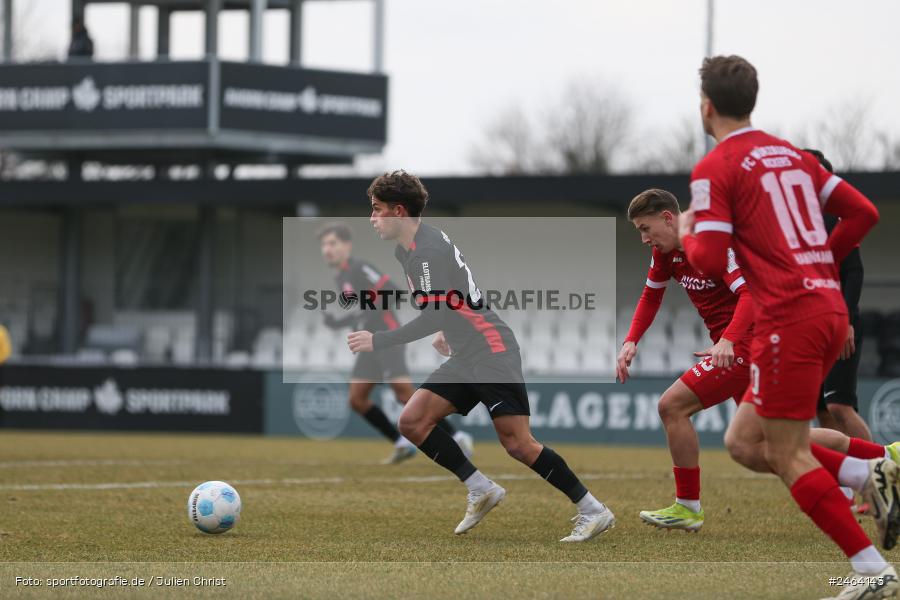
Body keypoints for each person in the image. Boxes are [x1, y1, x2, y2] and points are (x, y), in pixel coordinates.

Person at [679, 55, 896, 599]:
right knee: (745, 440)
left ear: (706, 107)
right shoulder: (795, 157)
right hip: (828, 310)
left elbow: (706, 261)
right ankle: (872, 477)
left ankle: (873, 572)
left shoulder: (716, 168)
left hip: (787, 317)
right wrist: (821, 261)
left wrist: (687, 231)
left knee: (785, 452)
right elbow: (864, 213)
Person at [347, 170, 614, 541]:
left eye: (376, 210)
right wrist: (445, 328)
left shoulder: (426, 251)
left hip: (490, 348)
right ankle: (481, 488)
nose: (372, 218)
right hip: (467, 351)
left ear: (398, 211)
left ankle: (593, 510)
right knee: (412, 422)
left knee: (518, 444)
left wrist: (381, 340)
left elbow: (437, 309)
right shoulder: (409, 249)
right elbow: (446, 301)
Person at [619, 188, 754, 532]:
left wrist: (728, 341)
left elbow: (751, 296)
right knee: (765, 446)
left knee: (671, 406)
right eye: (639, 231)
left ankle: (688, 507)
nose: (644, 238)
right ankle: (879, 459)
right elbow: (651, 295)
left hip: (746, 345)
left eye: (646, 229)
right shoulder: (667, 254)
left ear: (668, 218)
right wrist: (631, 340)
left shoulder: (711, 244)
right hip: (735, 345)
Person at [317, 222, 473, 464]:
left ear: (346, 245)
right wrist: (337, 323)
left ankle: (457, 435)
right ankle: (401, 443)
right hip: (369, 342)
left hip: (386, 337)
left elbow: (392, 292)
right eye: (324, 244)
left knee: (403, 394)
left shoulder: (360, 267)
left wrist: (364, 316)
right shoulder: (342, 277)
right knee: (356, 399)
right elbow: (361, 311)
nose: (327, 249)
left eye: (332, 243)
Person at [803, 149, 873, 442]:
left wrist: (846, 322)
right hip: (810, 328)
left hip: (839, 324)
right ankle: (845, 481)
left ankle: (881, 468)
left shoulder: (833, 218)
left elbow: (854, 272)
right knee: (823, 410)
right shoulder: (798, 223)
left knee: (839, 406)